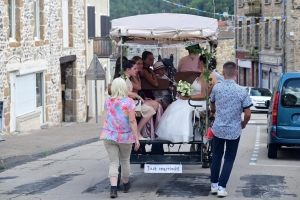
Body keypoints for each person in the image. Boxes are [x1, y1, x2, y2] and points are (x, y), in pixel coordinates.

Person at [209, 61, 252, 197]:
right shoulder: (241, 90)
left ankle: (214, 185)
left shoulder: (217, 88)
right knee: (229, 158)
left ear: (223, 72)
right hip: (234, 129)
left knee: (216, 156)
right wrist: (243, 123)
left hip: (219, 128)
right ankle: (222, 187)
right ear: (236, 73)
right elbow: (248, 113)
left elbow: (212, 105)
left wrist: (214, 111)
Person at [155, 55, 218, 143]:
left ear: (202, 62)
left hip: (201, 102)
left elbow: (204, 95)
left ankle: (182, 135)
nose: (197, 62)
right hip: (195, 100)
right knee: (175, 105)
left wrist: (188, 97)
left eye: (198, 61)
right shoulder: (203, 74)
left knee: (179, 108)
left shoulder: (208, 75)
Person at [100, 78, 140, 198]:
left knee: (113, 162)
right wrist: (136, 138)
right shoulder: (129, 102)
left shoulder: (108, 101)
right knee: (125, 161)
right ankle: (126, 184)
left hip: (109, 134)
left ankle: (113, 188)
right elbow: (132, 121)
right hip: (125, 136)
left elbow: (108, 113)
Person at [114, 59, 158, 139]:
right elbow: (126, 92)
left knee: (150, 109)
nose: (136, 70)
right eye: (134, 68)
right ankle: (137, 131)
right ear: (128, 70)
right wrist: (137, 96)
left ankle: (137, 131)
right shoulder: (123, 79)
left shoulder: (126, 78)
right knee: (150, 110)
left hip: (129, 103)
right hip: (127, 105)